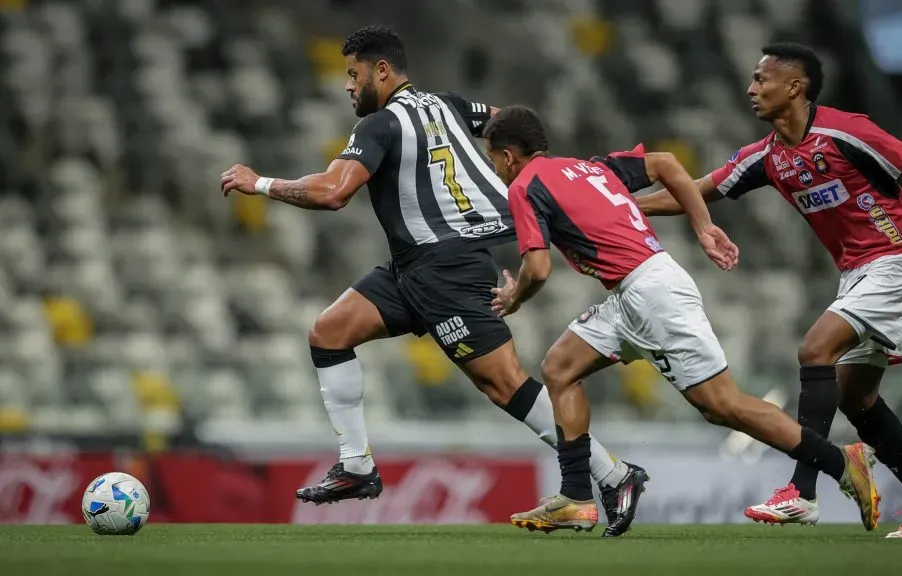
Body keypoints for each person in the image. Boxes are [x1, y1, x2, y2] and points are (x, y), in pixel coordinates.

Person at [219, 25, 648, 536]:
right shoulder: (448, 105)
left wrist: (261, 183)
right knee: (329, 333)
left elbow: (334, 192)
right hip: (410, 266)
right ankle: (356, 465)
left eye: (354, 74)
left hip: (448, 267)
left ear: (382, 70)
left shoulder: (379, 125)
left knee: (506, 385)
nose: (348, 86)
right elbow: (509, 122)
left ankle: (613, 474)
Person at [635, 42, 902, 538]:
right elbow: (694, 190)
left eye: (761, 79)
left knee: (814, 350)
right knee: (856, 400)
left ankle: (802, 492)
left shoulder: (845, 130)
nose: (751, 89)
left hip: (899, 256)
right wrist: (618, 204)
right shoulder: (766, 156)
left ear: (794, 87)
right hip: (857, 272)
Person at [483, 105, 881, 534]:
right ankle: (577, 496)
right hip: (632, 292)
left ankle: (841, 461)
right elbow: (667, 164)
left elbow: (538, 268)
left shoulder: (524, 185)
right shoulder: (590, 168)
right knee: (560, 366)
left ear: (508, 156)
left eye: (493, 160)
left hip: (650, 295)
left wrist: (515, 298)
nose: (497, 170)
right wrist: (703, 226)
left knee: (723, 406)